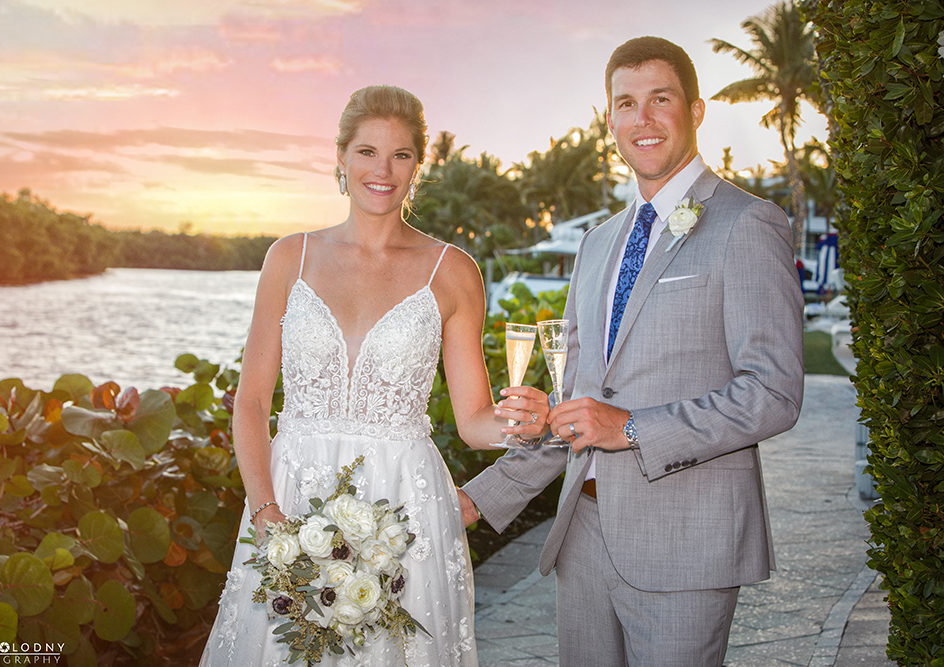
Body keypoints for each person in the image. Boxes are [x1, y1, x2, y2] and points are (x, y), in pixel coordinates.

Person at [459, 37, 805, 666]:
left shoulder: (748, 224)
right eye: (625, 104)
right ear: (610, 119)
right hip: (582, 538)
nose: (641, 119)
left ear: (695, 110)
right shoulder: (596, 245)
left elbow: (773, 392)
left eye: (660, 100)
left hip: (686, 541)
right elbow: (580, 404)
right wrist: (477, 499)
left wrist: (635, 428)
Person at [199, 85, 550, 666]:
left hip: (405, 511)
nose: (383, 171)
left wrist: (524, 422)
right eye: (367, 152)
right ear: (340, 158)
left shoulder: (453, 271)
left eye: (401, 155)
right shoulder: (289, 258)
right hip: (291, 500)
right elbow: (253, 400)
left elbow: (474, 423)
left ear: (419, 165)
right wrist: (266, 514)